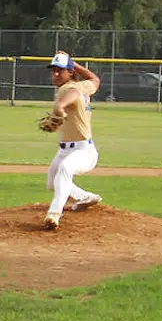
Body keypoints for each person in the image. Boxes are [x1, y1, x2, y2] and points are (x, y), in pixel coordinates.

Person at [41, 51, 103, 230]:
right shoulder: (84, 85)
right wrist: (74, 63)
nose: (55, 74)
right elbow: (95, 80)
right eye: (53, 70)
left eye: (60, 70)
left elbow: (73, 93)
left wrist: (60, 106)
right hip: (66, 150)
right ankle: (86, 197)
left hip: (83, 151)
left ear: (69, 73)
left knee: (65, 169)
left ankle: (54, 214)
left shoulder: (68, 88)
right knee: (53, 182)